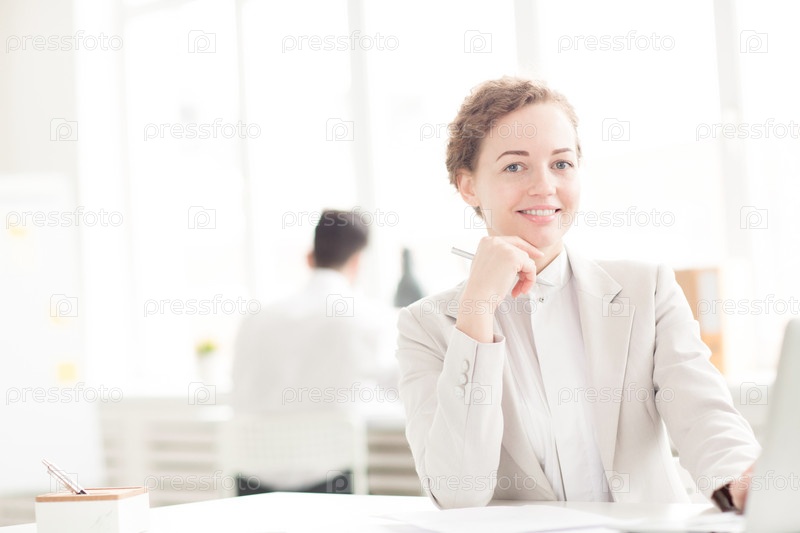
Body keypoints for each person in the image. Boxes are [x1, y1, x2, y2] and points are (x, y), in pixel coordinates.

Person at [395, 78, 760, 510]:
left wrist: (742, 479)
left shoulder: (646, 290)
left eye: (561, 163)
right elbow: (457, 491)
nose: (544, 185)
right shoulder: (425, 326)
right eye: (515, 167)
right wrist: (476, 311)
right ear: (469, 186)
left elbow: (705, 415)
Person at [231, 209, 396, 495]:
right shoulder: (366, 317)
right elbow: (402, 385)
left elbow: (238, 390)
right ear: (357, 262)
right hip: (329, 484)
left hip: (252, 483)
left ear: (309, 257)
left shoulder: (256, 319)